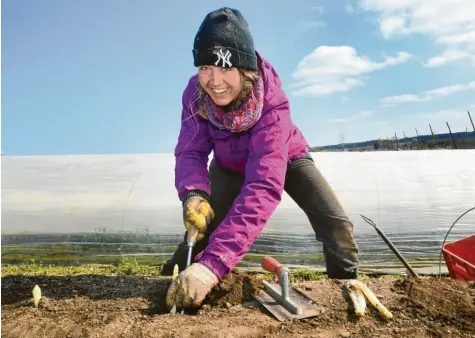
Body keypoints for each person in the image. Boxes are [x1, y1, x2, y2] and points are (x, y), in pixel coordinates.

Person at [164, 7, 359, 310]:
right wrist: (193, 192)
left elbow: (263, 186)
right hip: (228, 165)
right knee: (201, 228)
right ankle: (164, 283)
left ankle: (344, 290)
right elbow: (191, 149)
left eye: (225, 68)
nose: (214, 81)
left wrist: (213, 266)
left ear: (244, 68)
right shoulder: (194, 94)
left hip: (285, 159)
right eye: (205, 68)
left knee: (337, 226)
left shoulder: (272, 103)